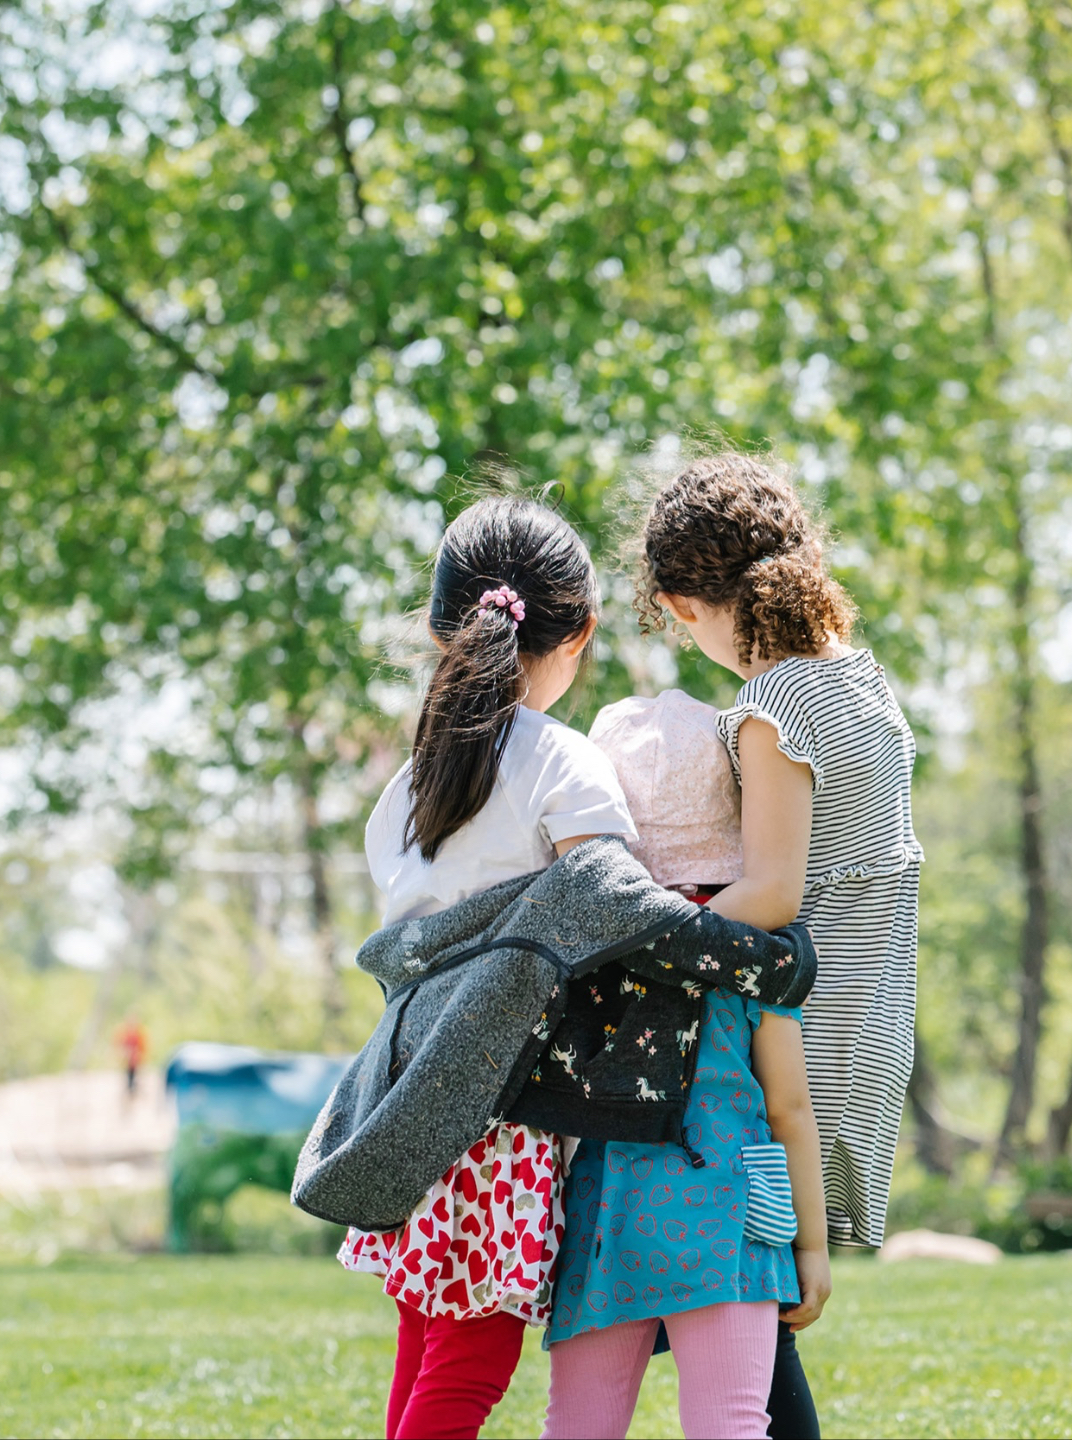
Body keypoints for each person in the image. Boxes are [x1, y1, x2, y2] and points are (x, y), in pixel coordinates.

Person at [630, 452, 922, 1435]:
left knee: (734, 1286)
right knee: (728, 1292)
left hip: (796, 1039)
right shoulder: (861, 678)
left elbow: (769, 891)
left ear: (682, 605)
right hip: (868, 1023)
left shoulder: (772, 708)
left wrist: (636, 945)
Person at [338, 496, 639, 1440]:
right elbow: (615, 913)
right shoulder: (566, 765)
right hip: (499, 1099)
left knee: (426, 1344)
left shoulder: (411, 782)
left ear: (440, 631)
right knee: (470, 1361)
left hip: (406, 1088)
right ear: (579, 631)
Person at [541, 689, 829, 1439]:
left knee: (576, 1427)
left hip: (607, 1217)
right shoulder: (758, 957)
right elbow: (789, 1108)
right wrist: (813, 1246)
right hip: (732, 1215)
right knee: (730, 1426)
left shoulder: (590, 959)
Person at [116, 1016, 148, 1100]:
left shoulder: (140, 1034)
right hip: (127, 1062)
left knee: (135, 1080)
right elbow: (120, 1046)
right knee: (128, 1081)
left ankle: (135, 1095)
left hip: (136, 1062)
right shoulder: (125, 1034)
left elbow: (143, 1049)